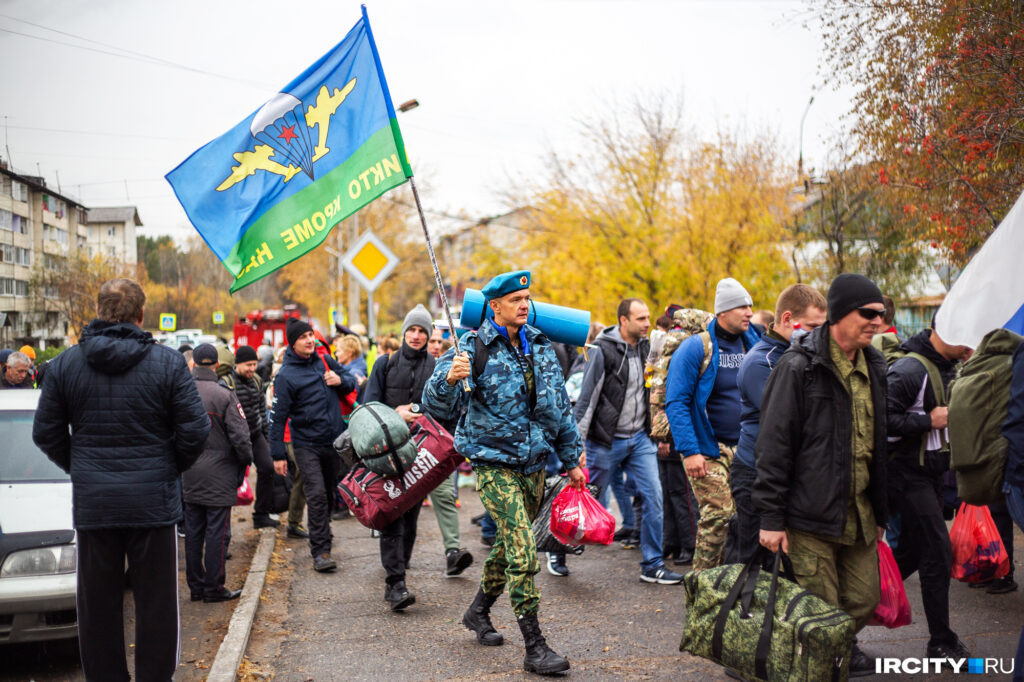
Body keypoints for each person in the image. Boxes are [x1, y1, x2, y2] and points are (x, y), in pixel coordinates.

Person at [32, 278, 210, 681]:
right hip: (152, 505)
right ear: (141, 315)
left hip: (96, 505)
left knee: (97, 608)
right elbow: (195, 430)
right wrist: (167, 468)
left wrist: (82, 468)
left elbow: (46, 433)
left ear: (99, 311)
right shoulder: (166, 363)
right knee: (157, 606)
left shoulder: (65, 364)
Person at [423, 270, 584, 675]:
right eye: (516, 300)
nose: (525, 305)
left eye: (527, 298)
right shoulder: (472, 347)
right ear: (494, 306)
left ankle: (478, 611)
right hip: (494, 464)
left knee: (510, 546)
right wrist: (448, 379)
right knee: (524, 551)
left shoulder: (542, 347)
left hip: (534, 465)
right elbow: (433, 405)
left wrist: (572, 460)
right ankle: (535, 646)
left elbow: (559, 410)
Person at [753, 273, 890, 676]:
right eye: (868, 313)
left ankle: (816, 657)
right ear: (841, 313)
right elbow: (774, 445)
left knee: (865, 600)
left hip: (861, 516)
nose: (877, 321)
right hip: (808, 517)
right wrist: (771, 519)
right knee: (822, 615)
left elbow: (880, 443)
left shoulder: (876, 365)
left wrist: (881, 512)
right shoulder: (799, 367)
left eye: (881, 314)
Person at [363, 304, 474, 611]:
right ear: (404, 332)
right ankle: (395, 583)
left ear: (429, 336)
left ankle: (401, 565)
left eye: (421, 331)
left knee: (410, 519)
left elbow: (449, 410)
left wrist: (421, 415)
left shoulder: (439, 366)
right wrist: (395, 413)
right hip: (386, 453)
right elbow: (367, 407)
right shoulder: (384, 364)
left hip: (423, 453)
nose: (415, 336)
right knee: (392, 516)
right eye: (411, 330)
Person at [574, 297, 682, 585]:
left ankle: (653, 564)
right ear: (624, 320)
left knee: (654, 496)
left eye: (648, 318)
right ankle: (558, 549)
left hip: (640, 440)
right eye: (641, 319)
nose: (647, 323)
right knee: (588, 499)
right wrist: (576, 446)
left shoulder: (648, 347)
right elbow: (588, 397)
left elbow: (655, 392)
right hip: (605, 442)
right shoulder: (603, 350)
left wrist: (659, 433)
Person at [885, 325, 972, 658]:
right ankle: (941, 642)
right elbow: (879, 422)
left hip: (930, 474)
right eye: (965, 337)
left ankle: (849, 614)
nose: (969, 346)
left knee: (909, 552)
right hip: (905, 475)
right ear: (945, 331)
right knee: (937, 552)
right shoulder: (910, 369)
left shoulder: (946, 367)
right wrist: (927, 421)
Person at [664, 277, 760, 572]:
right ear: (723, 312)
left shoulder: (755, 343)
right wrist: (690, 450)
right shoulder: (696, 348)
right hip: (709, 448)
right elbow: (676, 402)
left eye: (750, 306)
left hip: (747, 447)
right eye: (742, 307)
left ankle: (732, 585)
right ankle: (701, 586)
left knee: (749, 516)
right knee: (719, 514)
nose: (748, 312)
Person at [732, 284, 827, 563]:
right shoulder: (761, 363)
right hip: (755, 472)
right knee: (753, 564)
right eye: (811, 327)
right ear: (787, 319)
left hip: (787, 472)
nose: (817, 335)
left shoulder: (802, 355)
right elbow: (790, 420)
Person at [269, 318, 357, 573]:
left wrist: (339, 381)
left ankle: (323, 534)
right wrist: (277, 454)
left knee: (328, 493)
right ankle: (321, 552)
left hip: (333, 442)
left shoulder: (324, 361)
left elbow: (351, 382)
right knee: (316, 494)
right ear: (293, 344)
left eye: (311, 335)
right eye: (303, 337)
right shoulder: (286, 375)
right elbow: (277, 418)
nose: (310, 340)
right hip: (305, 445)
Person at [183, 344, 253, 603]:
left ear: (194, 364)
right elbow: (241, 439)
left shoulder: (183, 393)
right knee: (216, 532)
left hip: (189, 472)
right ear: (216, 364)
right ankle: (214, 587)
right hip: (221, 473)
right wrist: (243, 465)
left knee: (193, 531)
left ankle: (196, 587)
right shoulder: (225, 396)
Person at [225, 345, 278, 529]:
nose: (252, 369)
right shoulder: (227, 382)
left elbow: (261, 411)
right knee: (231, 480)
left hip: (255, 435)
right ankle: (225, 528)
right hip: (234, 440)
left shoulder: (256, 380)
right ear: (237, 364)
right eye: (248, 365)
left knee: (268, 468)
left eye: (254, 364)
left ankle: (261, 514)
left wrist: (266, 436)